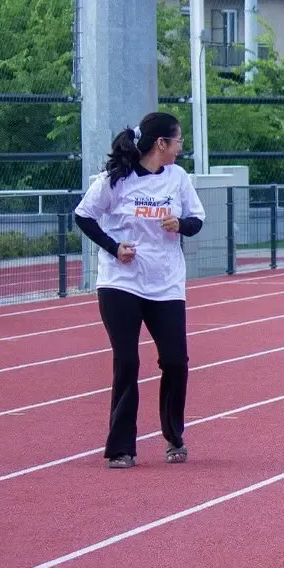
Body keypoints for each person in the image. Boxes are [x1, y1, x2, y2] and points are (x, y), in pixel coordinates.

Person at [73, 112, 206, 468]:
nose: (180, 147)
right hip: (121, 282)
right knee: (127, 361)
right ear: (161, 144)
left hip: (165, 283)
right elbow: (83, 216)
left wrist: (180, 223)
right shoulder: (115, 180)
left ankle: (174, 435)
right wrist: (113, 246)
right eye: (177, 141)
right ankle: (121, 447)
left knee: (176, 361)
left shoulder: (178, 178)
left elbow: (197, 220)